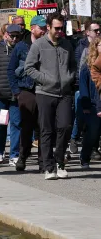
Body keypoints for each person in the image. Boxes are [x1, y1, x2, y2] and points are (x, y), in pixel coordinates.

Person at [25, 12, 76, 180]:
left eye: (62, 28)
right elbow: (29, 68)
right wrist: (46, 79)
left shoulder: (67, 44)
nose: (60, 31)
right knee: (46, 130)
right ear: (48, 27)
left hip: (64, 93)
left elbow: (73, 66)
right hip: (45, 92)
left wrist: (69, 77)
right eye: (57, 28)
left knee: (65, 126)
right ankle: (48, 167)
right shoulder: (38, 45)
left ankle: (60, 161)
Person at [8, 15, 46, 172]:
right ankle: (22, 157)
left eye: (45, 28)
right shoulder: (21, 46)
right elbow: (11, 69)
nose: (44, 31)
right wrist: (16, 91)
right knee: (27, 126)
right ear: (33, 28)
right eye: (41, 28)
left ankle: (43, 160)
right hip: (26, 90)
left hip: (44, 89)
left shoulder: (48, 45)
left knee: (44, 126)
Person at [0, 24, 22, 166]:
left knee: (16, 123)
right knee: (0, 124)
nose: (14, 39)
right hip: (0, 94)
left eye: (17, 36)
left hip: (16, 93)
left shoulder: (22, 49)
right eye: (12, 35)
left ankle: (14, 154)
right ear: (6, 34)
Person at [71, 19, 100, 156]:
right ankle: (74, 139)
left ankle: (93, 149)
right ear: (88, 32)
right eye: (96, 30)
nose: (98, 32)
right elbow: (80, 71)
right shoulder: (81, 47)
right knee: (81, 119)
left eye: (99, 30)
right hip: (84, 90)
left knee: (95, 127)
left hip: (97, 94)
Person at [78, 37, 101, 169]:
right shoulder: (87, 67)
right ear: (95, 47)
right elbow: (83, 87)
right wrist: (86, 105)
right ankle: (85, 157)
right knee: (93, 133)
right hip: (92, 105)